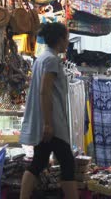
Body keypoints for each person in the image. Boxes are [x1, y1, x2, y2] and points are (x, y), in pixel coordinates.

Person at [19, 23, 78, 199]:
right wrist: (48, 123)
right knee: (67, 164)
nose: (68, 42)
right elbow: (45, 91)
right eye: (66, 38)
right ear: (60, 40)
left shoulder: (42, 58)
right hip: (53, 123)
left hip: (47, 121)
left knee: (39, 162)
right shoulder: (51, 60)